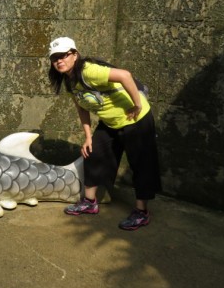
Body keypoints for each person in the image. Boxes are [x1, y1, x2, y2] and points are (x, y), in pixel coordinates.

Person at [47, 37, 162, 230]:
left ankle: (141, 212)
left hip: (136, 120)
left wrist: (137, 104)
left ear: (74, 55)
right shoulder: (70, 81)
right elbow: (82, 108)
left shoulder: (88, 71)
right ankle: (90, 202)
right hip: (110, 122)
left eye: (63, 56)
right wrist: (88, 137)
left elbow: (125, 75)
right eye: (55, 58)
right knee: (93, 153)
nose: (59, 61)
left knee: (141, 164)